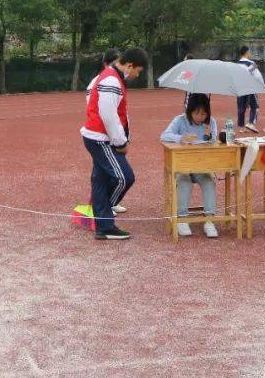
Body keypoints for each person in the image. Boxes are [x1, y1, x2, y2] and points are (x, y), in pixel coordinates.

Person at [80, 47, 148, 241]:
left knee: (101, 180)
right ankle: (103, 215)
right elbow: (108, 116)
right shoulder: (111, 80)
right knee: (124, 177)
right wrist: (121, 142)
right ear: (129, 65)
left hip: (101, 137)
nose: (137, 75)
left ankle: (104, 225)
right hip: (101, 139)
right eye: (138, 71)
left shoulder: (112, 78)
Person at [160, 93, 220, 238]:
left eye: (204, 113)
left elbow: (215, 144)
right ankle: (182, 218)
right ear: (190, 111)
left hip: (201, 166)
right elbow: (164, 136)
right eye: (197, 113)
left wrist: (209, 137)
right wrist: (181, 138)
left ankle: (209, 220)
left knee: (209, 182)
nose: (201, 117)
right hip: (182, 166)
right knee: (184, 182)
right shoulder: (180, 120)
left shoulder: (211, 122)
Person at [85, 49, 126, 215]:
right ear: (106, 64)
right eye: (114, 62)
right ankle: (100, 205)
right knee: (103, 172)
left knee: (106, 171)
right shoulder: (100, 81)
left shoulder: (116, 80)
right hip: (102, 135)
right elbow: (101, 109)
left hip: (114, 134)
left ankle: (109, 202)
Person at [235, 46, 261, 133]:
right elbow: (257, 76)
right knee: (255, 106)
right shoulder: (251, 63)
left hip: (240, 87)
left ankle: (241, 127)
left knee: (241, 107)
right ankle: (251, 123)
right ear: (247, 52)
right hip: (250, 87)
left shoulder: (237, 64)